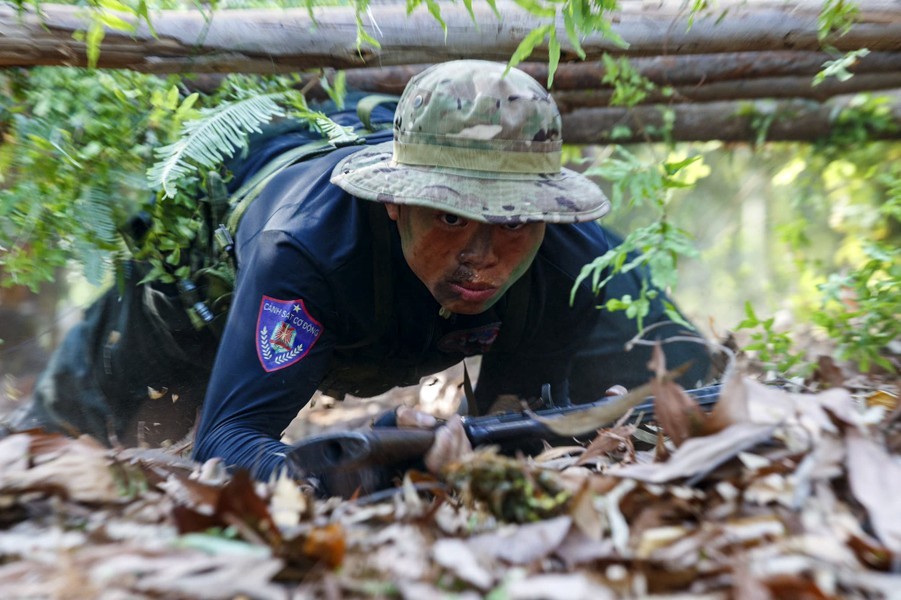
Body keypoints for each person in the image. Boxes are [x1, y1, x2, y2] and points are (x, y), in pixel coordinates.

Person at [10, 60, 712, 479]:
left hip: (394, 325)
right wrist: (343, 465)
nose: (480, 255)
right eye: (449, 217)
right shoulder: (305, 247)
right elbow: (228, 440)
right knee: (66, 457)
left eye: (510, 223)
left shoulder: (570, 251)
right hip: (194, 302)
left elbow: (698, 385)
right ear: (392, 205)